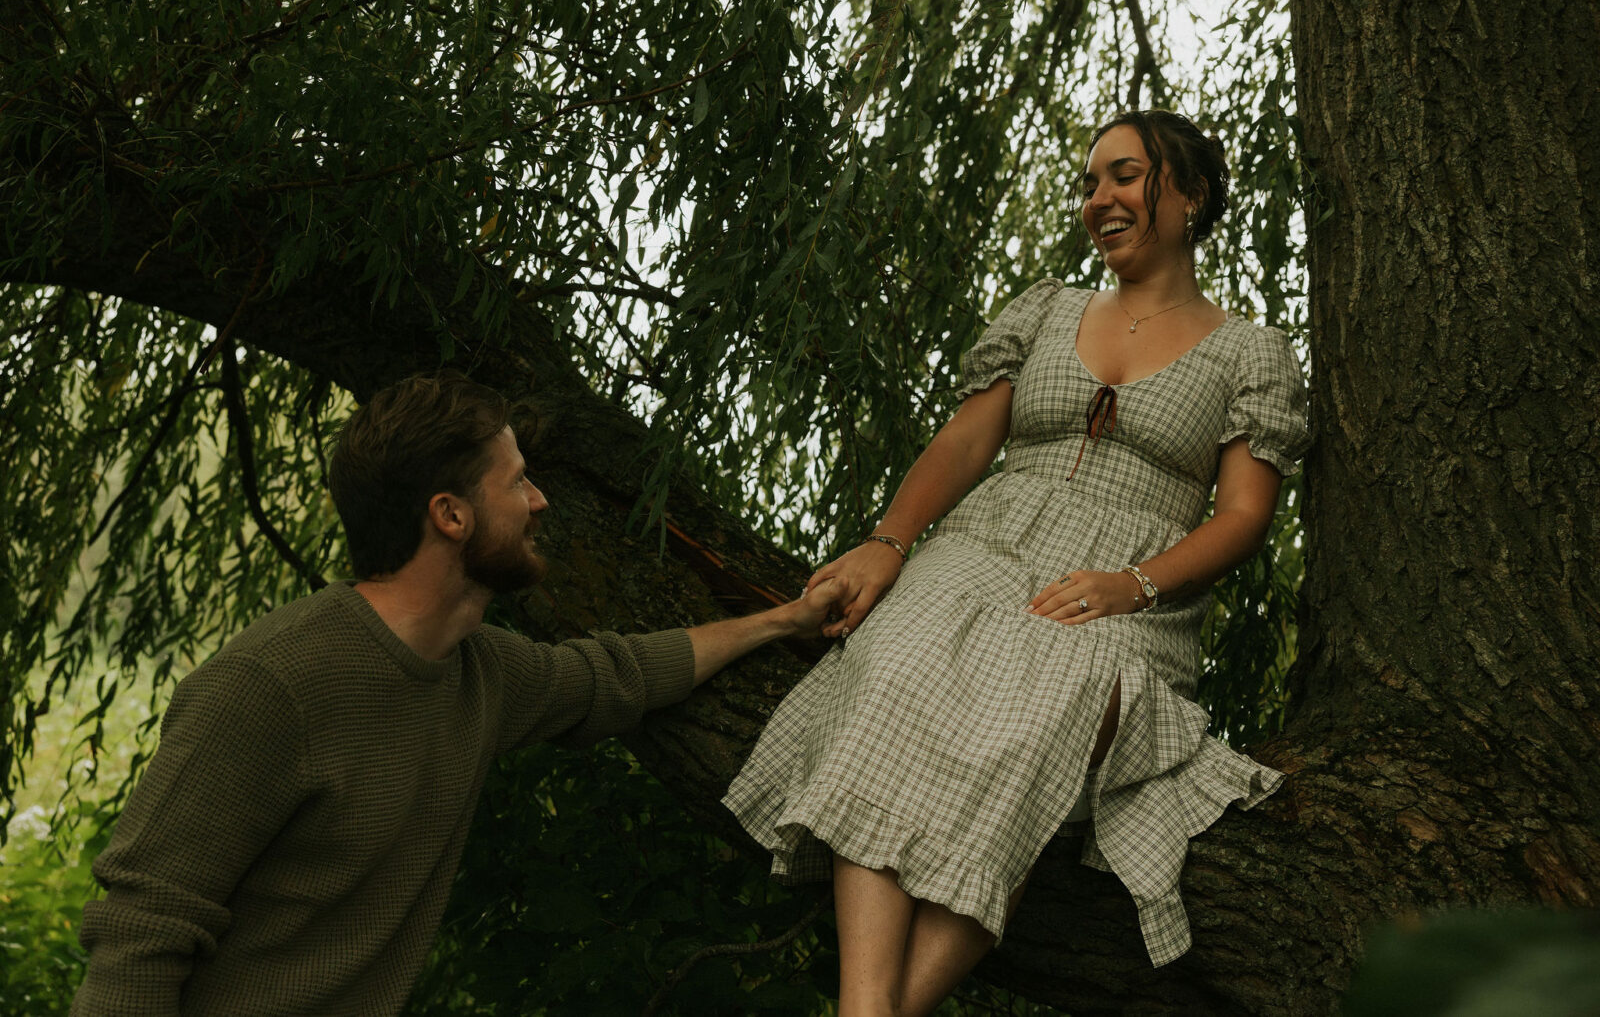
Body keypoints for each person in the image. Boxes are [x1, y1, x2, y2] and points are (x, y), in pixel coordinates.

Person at [723, 109, 1310, 1015]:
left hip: (1128, 591)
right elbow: (965, 444)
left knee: (1053, 711)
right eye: (1089, 183)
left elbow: (1242, 517)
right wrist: (888, 543)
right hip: (988, 547)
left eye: (1123, 176)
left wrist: (1134, 584)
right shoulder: (1047, 309)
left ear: (1190, 196)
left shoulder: (1250, 352)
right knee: (896, 659)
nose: (1098, 199)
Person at [71, 372, 840, 1016]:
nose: (539, 501)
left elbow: (620, 673)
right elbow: (141, 932)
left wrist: (783, 620)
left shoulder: (481, 673)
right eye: (518, 481)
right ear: (450, 514)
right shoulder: (271, 686)